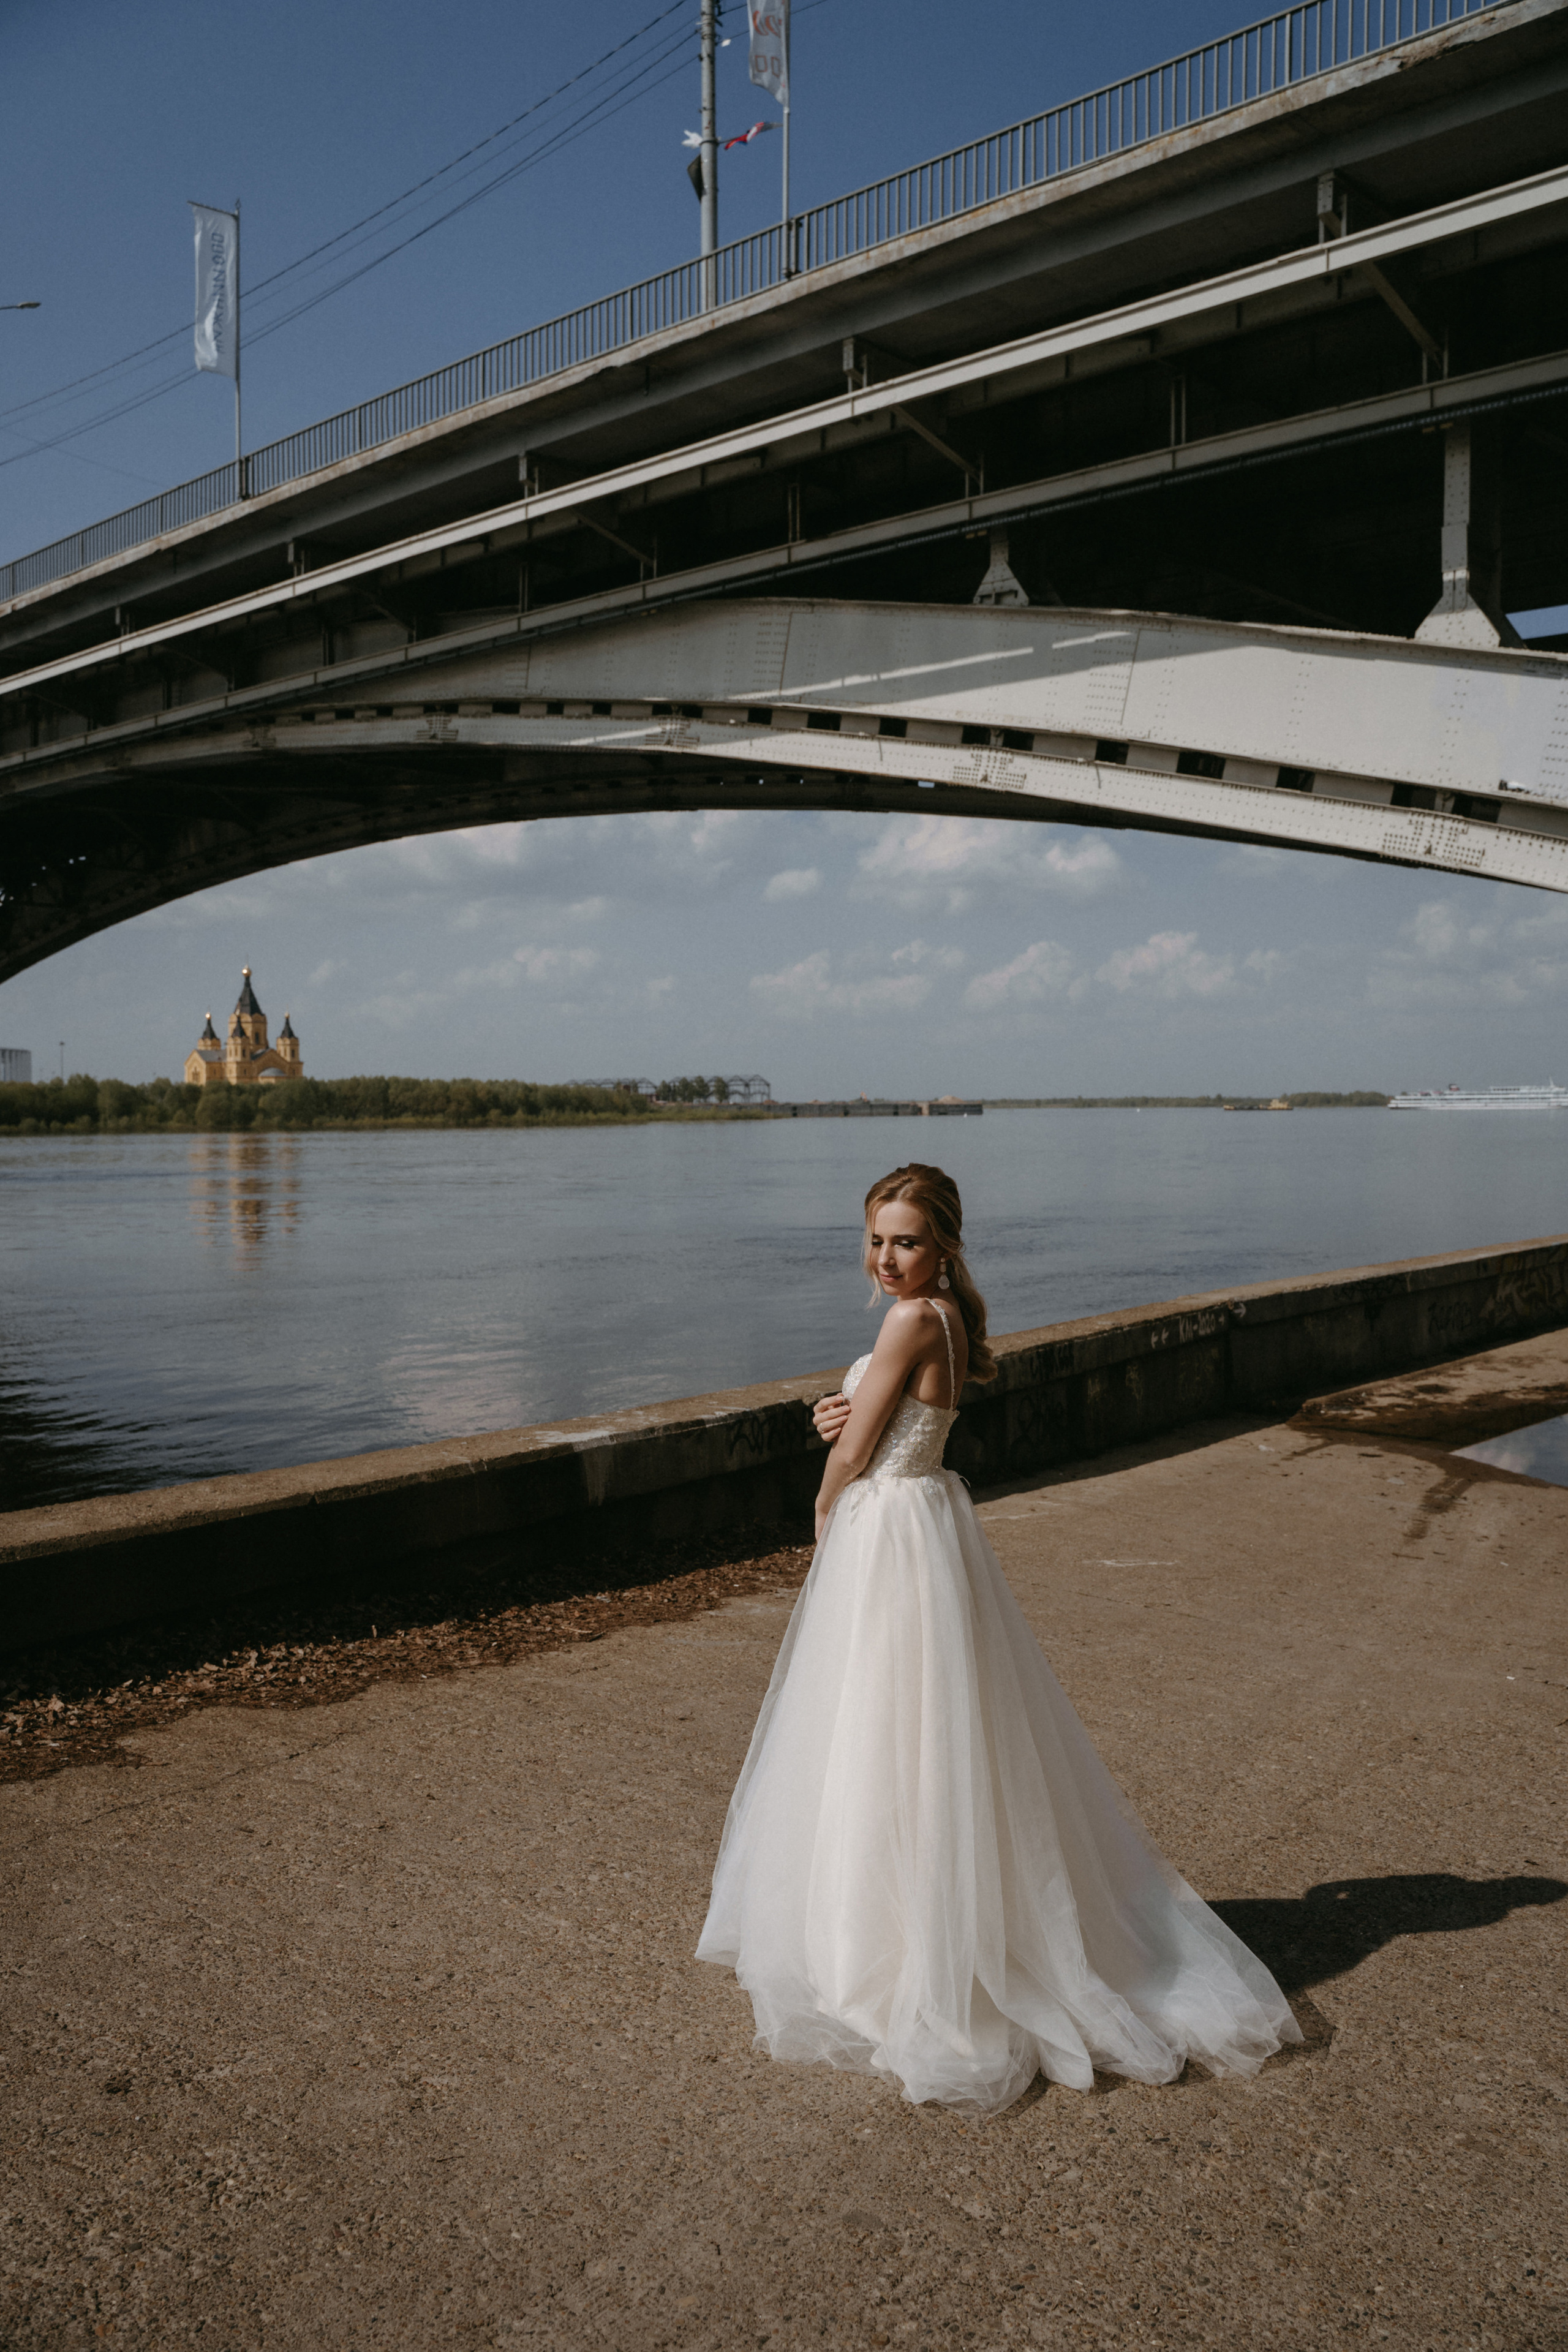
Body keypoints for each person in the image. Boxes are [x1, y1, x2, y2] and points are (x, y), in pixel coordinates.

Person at [696, 1161, 1301, 2114]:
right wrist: (839, 1413)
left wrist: (821, 1506)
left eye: (906, 1241)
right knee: (918, 1727)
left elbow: (860, 1454)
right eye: (876, 1239)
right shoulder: (943, 1317)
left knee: (885, 1727)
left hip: (887, 1527)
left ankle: (905, 1948)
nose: (886, 1258)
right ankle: (933, 1920)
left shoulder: (911, 1317)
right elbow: (883, 1420)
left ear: (943, 1247)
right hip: (923, 1519)